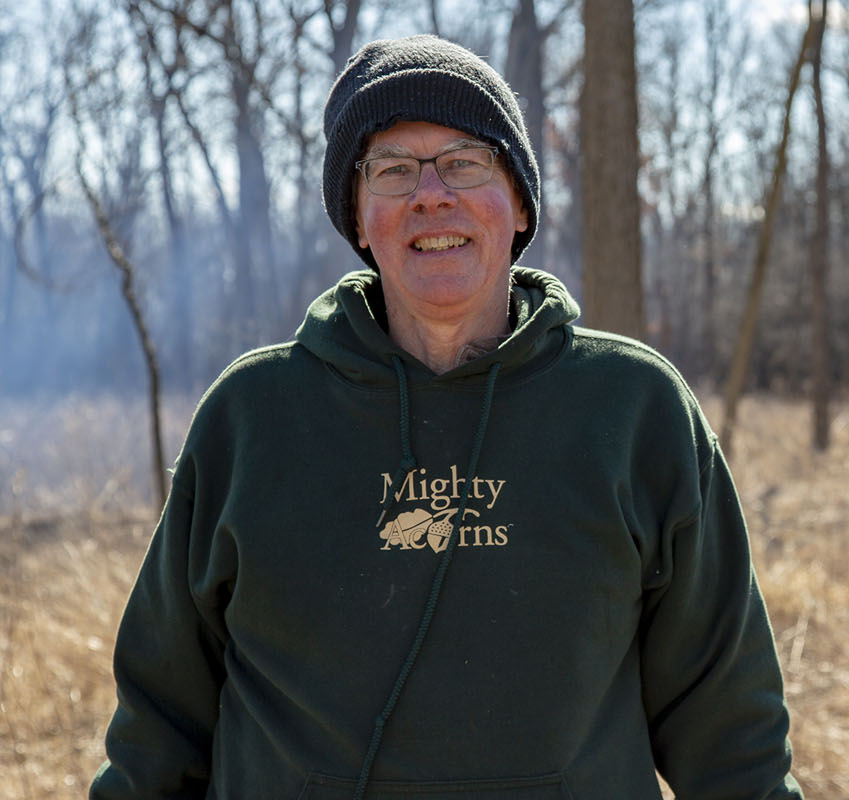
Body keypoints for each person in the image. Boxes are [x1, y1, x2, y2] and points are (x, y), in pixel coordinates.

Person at [91, 34, 803, 800]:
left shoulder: (634, 410)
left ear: (520, 202)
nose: (432, 195)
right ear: (359, 219)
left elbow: (731, 735)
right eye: (393, 171)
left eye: (466, 162)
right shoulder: (253, 417)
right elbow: (158, 729)